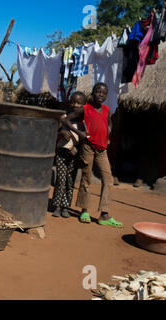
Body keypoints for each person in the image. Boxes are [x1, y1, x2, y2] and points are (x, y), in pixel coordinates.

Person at [62, 82, 123, 228]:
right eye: (98, 92)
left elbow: (109, 123)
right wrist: (79, 133)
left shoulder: (107, 109)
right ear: (93, 93)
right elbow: (66, 120)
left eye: (103, 93)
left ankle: (104, 214)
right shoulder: (85, 109)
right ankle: (84, 210)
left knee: (108, 179)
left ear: (106, 96)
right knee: (86, 178)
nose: (100, 95)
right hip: (88, 148)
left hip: (102, 150)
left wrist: (108, 133)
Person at [52, 91, 86, 218]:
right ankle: (56, 206)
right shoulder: (64, 117)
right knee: (60, 179)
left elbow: (85, 138)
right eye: (73, 102)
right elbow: (56, 132)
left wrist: (77, 147)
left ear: (84, 104)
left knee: (70, 180)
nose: (75, 105)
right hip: (62, 152)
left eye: (79, 103)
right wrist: (62, 133)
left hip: (75, 154)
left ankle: (65, 206)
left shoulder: (83, 121)